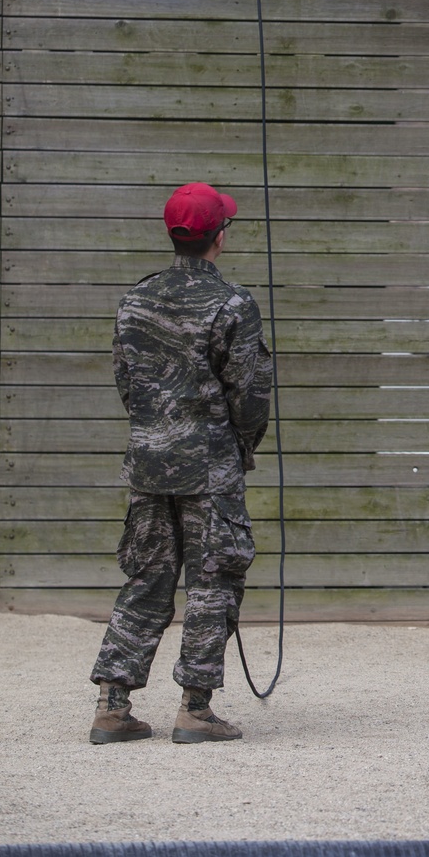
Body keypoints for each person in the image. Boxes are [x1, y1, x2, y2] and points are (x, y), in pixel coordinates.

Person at [88, 182, 272, 746]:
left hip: (148, 463)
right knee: (213, 580)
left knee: (146, 576)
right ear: (220, 236)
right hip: (211, 467)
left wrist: (155, 430)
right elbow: (251, 394)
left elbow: (127, 381)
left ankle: (112, 707)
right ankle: (195, 710)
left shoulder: (135, 299)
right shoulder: (233, 303)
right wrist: (242, 445)